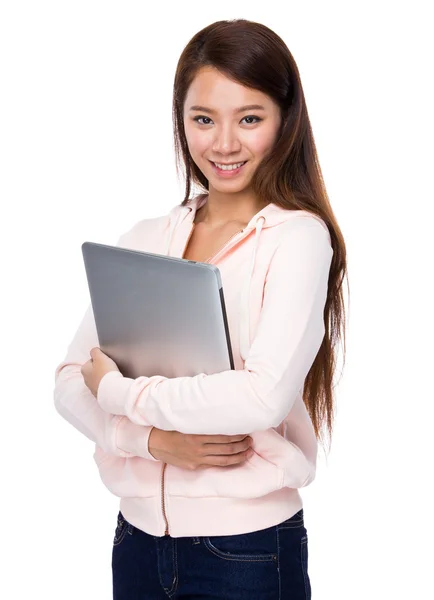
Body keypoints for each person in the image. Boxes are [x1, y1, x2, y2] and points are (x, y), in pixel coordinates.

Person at [53, 18, 348, 600]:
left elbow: (259, 396)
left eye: (250, 118)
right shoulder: (145, 237)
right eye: (203, 119)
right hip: (135, 543)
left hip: (245, 550)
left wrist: (122, 395)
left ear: (285, 122)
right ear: (181, 120)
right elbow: (67, 381)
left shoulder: (298, 239)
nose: (224, 144)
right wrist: (151, 442)